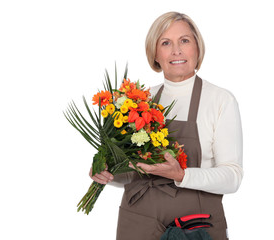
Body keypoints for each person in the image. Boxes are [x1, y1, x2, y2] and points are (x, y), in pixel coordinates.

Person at [89, 11, 243, 240]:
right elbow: (134, 173)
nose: (176, 50)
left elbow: (232, 177)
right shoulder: (137, 102)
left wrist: (181, 175)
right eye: (165, 42)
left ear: (197, 48)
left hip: (194, 225)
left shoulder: (220, 100)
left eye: (184, 40)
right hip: (138, 223)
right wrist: (108, 173)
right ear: (155, 54)